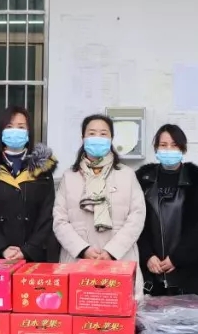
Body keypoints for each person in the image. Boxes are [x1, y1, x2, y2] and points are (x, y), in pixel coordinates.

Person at [52, 114, 145, 298]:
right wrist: (82, 249)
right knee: (80, 308)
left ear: (111, 138)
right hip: (77, 262)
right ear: (83, 138)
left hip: (120, 261)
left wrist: (112, 251)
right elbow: (59, 220)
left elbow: (137, 216)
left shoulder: (127, 175)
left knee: (119, 310)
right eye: (92, 133)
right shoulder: (69, 176)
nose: (97, 138)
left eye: (103, 134)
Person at [0, 106, 58, 261]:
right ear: (1, 131)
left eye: (21, 127)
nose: (15, 131)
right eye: (9, 126)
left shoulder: (42, 169)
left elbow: (47, 213)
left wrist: (28, 250)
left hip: (31, 257)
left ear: (29, 132)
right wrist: (1, 247)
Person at [135, 124, 198, 297]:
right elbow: (134, 221)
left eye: (174, 145)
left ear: (183, 148)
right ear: (156, 148)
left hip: (188, 274)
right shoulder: (142, 179)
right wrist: (147, 256)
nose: (168, 149)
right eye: (163, 145)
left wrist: (177, 258)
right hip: (150, 274)